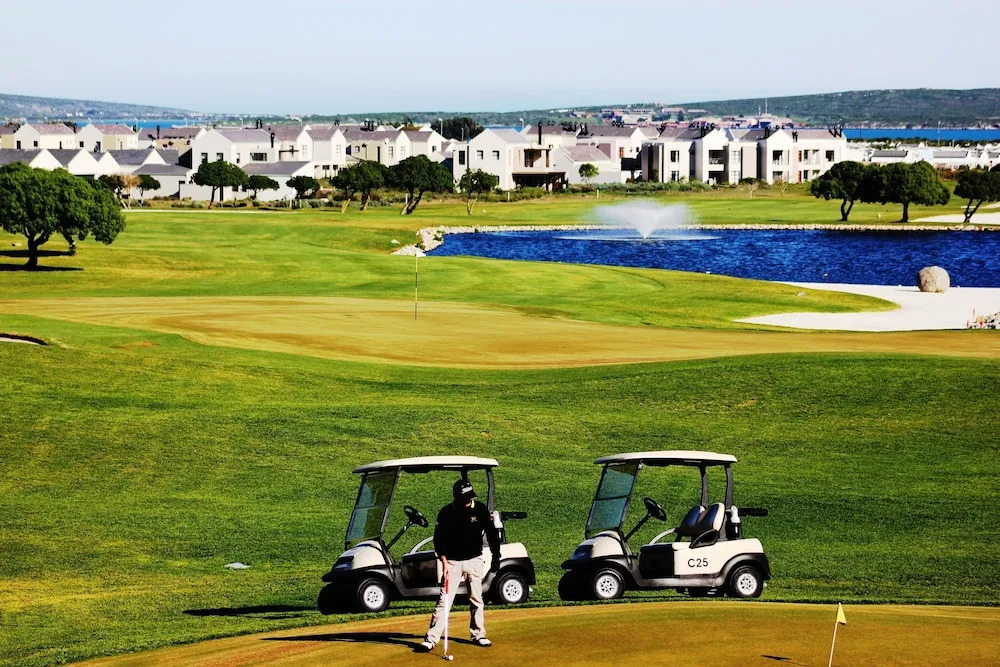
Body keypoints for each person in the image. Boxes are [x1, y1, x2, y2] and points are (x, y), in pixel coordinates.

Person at [419, 479, 501, 651]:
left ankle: (479, 635)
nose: (468, 501)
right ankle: (431, 639)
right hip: (452, 563)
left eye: (470, 497)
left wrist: (496, 556)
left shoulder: (479, 509)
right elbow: (439, 540)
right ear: (456, 497)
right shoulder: (447, 513)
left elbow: (492, 533)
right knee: (444, 601)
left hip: (474, 560)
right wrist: (444, 562)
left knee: (476, 599)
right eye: (465, 498)